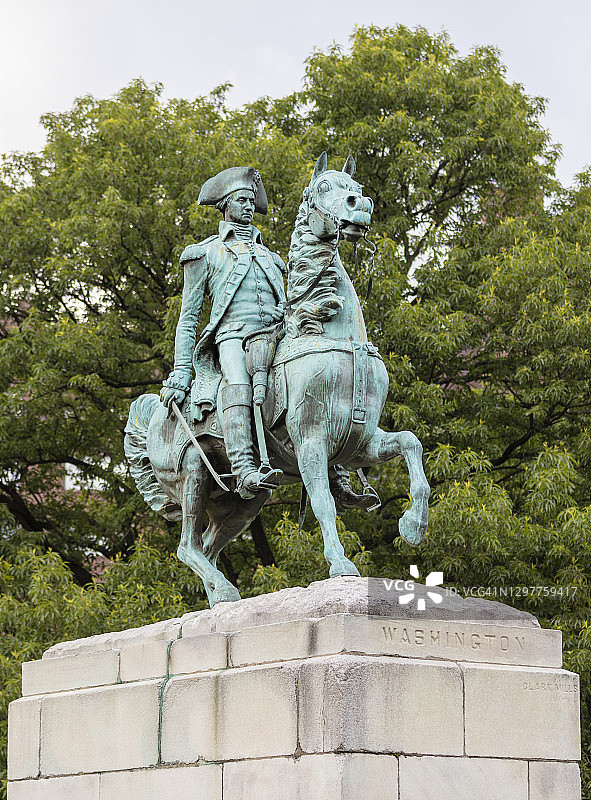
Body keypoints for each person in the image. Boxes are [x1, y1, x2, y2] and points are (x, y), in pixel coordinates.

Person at [161, 166, 375, 509]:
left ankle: (338, 476)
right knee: (238, 382)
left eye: (250, 200)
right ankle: (244, 466)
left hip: (275, 334)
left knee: (315, 381)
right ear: (225, 206)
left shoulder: (272, 258)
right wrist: (181, 371)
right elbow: (188, 319)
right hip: (232, 338)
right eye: (240, 200)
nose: (247, 206)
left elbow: (285, 301)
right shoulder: (204, 253)